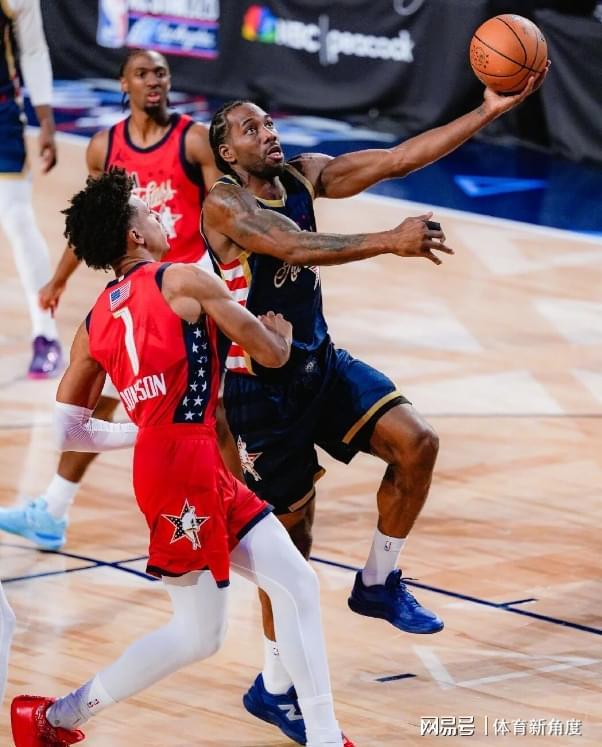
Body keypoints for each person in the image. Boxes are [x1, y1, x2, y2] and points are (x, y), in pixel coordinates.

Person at [203, 71, 546, 744]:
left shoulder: (303, 175)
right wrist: (389, 240)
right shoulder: (224, 205)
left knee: (417, 442)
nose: (267, 132)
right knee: (290, 550)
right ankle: (274, 685)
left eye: (267, 122)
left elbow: (397, 158)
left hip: (320, 364)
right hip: (260, 393)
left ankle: (379, 579)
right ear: (226, 152)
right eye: (250, 128)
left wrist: (486, 109)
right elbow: (292, 245)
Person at [10, 169, 354, 747]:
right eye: (147, 211)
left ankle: (325, 735)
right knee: (200, 633)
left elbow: (68, 431)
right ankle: (57, 716)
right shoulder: (184, 279)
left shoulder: (94, 323)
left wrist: (144, 433)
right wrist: (280, 336)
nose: (158, 215)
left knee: (294, 583)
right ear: (133, 237)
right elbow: (271, 354)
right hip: (186, 465)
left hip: (171, 461)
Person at [0, 47, 233, 552]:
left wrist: (230, 278)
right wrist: (58, 280)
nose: (154, 81)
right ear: (123, 83)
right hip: (143, 295)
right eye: (142, 73)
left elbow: (229, 215)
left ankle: (238, 510)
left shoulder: (193, 140)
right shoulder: (105, 147)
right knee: (108, 396)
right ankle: (53, 510)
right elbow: (93, 224)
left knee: (215, 409)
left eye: (161, 73)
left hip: (190, 288)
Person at [0, 0, 61, 377]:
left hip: (1, 113)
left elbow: (34, 49)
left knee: (17, 218)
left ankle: (46, 334)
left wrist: (46, 121)